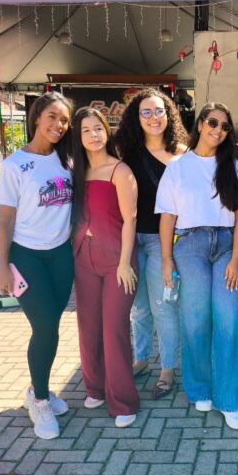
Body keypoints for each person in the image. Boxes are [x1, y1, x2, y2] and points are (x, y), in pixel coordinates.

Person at [156, 102, 238, 430]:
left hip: (227, 244)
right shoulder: (178, 166)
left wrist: (237, 259)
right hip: (190, 246)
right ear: (199, 123)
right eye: (213, 122)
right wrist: (166, 259)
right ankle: (200, 387)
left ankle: (232, 399)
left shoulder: (233, 166)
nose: (218, 130)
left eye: (225, 126)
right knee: (195, 319)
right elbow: (167, 216)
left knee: (230, 318)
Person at [0, 91, 75, 440]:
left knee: (52, 326)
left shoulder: (67, 161)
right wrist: (2, 268)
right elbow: (4, 222)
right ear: (37, 118)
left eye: (64, 120)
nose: (59, 125)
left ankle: (37, 387)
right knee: (43, 326)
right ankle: (40, 401)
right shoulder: (14, 165)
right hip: (27, 257)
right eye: (52, 117)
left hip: (61, 255)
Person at [115, 88, 188, 399]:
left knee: (164, 306)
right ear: (137, 117)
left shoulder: (183, 154)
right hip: (132, 239)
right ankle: (142, 359)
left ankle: (168, 368)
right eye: (146, 112)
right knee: (140, 308)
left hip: (164, 242)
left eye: (159, 111)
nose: (153, 117)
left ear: (168, 114)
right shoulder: (126, 153)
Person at [71, 106, 140, 428]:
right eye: (86, 130)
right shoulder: (76, 172)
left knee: (114, 329)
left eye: (98, 128)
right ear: (78, 136)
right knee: (88, 326)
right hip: (83, 259)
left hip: (117, 260)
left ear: (106, 131)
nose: (93, 135)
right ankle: (95, 387)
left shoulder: (120, 170)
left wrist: (125, 263)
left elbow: (130, 220)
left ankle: (123, 401)